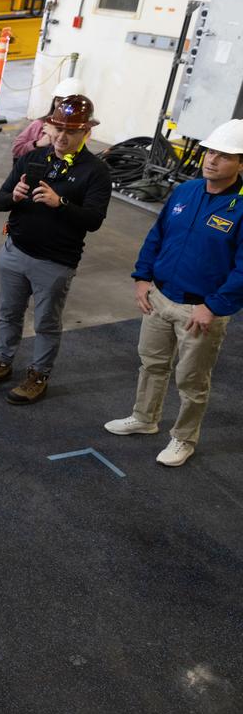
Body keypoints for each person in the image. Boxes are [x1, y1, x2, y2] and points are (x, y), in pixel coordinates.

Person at [103, 118, 243, 467]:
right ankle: (145, 418)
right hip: (161, 298)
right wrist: (142, 277)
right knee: (151, 364)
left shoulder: (241, 207)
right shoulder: (186, 191)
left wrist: (213, 307)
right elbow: (157, 235)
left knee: (192, 381)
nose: (211, 159)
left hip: (200, 311)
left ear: (241, 163)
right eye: (210, 151)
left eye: (224, 155)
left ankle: (183, 438)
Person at [0, 95, 110, 404]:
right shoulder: (33, 159)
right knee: (8, 313)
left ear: (85, 132)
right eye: (57, 129)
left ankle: (39, 375)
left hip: (55, 261)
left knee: (46, 322)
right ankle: (1, 361)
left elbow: (94, 220)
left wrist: (60, 203)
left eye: (70, 132)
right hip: (15, 251)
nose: (61, 137)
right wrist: (14, 196)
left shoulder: (95, 171)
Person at [13, 77, 85, 160]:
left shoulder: (81, 130)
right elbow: (17, 149)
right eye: (58, 100)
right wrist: (37, 143)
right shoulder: (39, 124)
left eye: (66, 102)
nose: (60, 106)